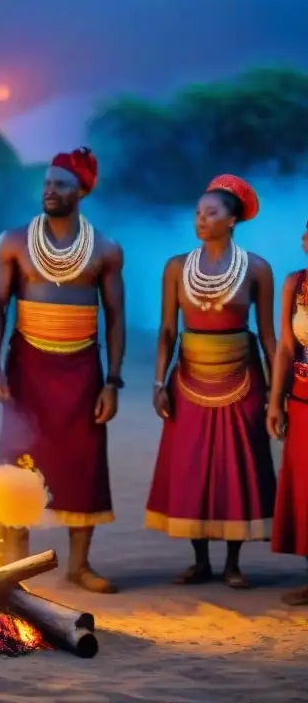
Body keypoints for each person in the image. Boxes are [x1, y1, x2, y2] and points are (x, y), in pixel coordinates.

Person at [0, 147, 124, 594]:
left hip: (84, 369)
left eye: (60, 183)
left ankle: (79, 567)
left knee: (83, 463)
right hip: (27, 365)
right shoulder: (13, 241)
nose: (49, 190)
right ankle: (15, 565)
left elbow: (116, 317)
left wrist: (113, 381)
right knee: (18, 460)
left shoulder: (105, 248)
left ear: (82, 190)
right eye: (46, 182)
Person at [146, 175, 276, 588]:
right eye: (197, 213)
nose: (200, 220)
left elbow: (269, 334)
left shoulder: (256, 268)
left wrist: (276, 390)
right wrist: (158, 382)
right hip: (188, 377)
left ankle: (233, 563)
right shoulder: (177, 267)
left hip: (242, 375)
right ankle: (199, 561)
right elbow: (167, 329)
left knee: (236, 465)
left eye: (210, 213)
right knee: (192, 466)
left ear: (232, 219)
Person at [266, 220, 308, 606]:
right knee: (305, 489)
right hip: (302, 400)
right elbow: (284, 349)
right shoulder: (296, 284)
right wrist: (276, 401)